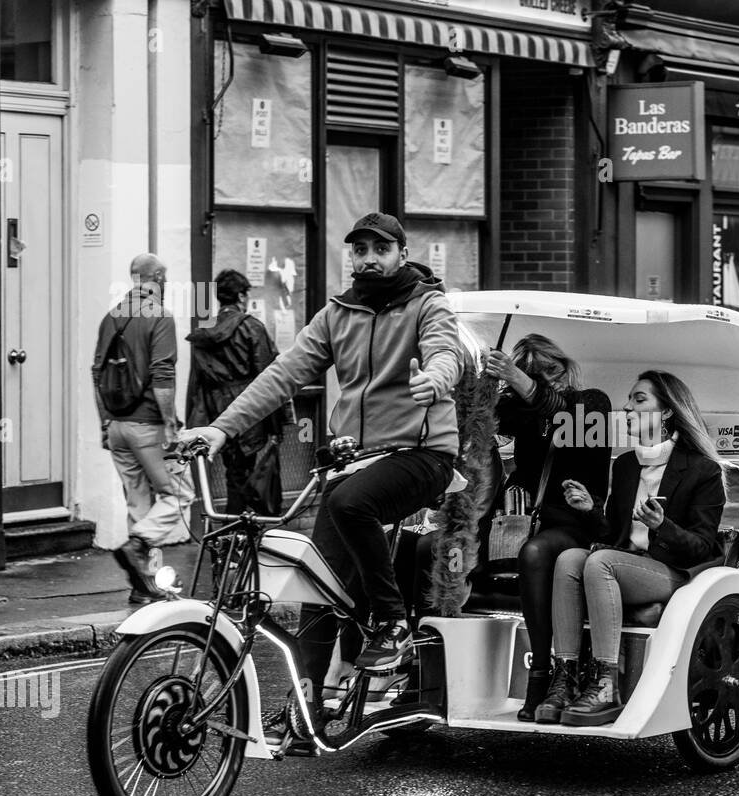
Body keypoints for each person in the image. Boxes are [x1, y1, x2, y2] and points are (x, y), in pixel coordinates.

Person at [179, 213, 463, 706]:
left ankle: (392, 622)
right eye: (360, 250)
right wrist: (221, 428)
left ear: (401, 252)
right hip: (358, 460)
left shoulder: (429, 305)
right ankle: (307, 703)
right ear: (350, 257)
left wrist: (434, 378)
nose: (369, 259)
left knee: (351, 503)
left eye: (380, 249)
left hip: (422, 454)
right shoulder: (338, 314)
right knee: (318, 583)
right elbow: (282, 374)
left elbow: (446, 353)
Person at [535, 370, 727, 727]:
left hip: (671, 572)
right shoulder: (625, 465)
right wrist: (589, 508)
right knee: (569, 559)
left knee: (600, 562)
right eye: (629, 400)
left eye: (639, 400)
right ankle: (566, 678)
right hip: (625, 563)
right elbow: (614, 532)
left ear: (666, 412)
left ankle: (607, 685)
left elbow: (701, 547)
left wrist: (662, 526)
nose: (627, 406)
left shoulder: (703, 470)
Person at [486, 334, 612, 721]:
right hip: (522, 522)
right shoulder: (521, 410)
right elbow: (494, 414)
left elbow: (562, 413)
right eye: (533, 374)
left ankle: (543, 673)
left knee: (536, 553)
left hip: (575, 522)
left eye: (552, 370)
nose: (547, 380)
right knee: (430, 549)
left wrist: (522, 383)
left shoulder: (592, 403)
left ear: (567, 365)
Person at [93, 253, 188, 604]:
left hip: (117, 426)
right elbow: (163, 373)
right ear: (158, 278)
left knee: (139, 504)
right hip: (148, 425)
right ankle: (138, 547)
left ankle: (143, 585)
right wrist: (169, 426)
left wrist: (105, 423)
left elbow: (97, 372)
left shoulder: (110, 316)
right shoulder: (160, 316)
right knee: (178, 495)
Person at [185, 269, 288, 515]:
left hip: (217, 412)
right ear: (241, 296)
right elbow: (269, 377)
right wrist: (277, 426)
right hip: (249, 409)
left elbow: (196, 383)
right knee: (249, 476)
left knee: (235, 475)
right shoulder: (251, 328)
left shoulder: (205, 333)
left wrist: (194, 421)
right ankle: (245, 534)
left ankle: (233, 535)